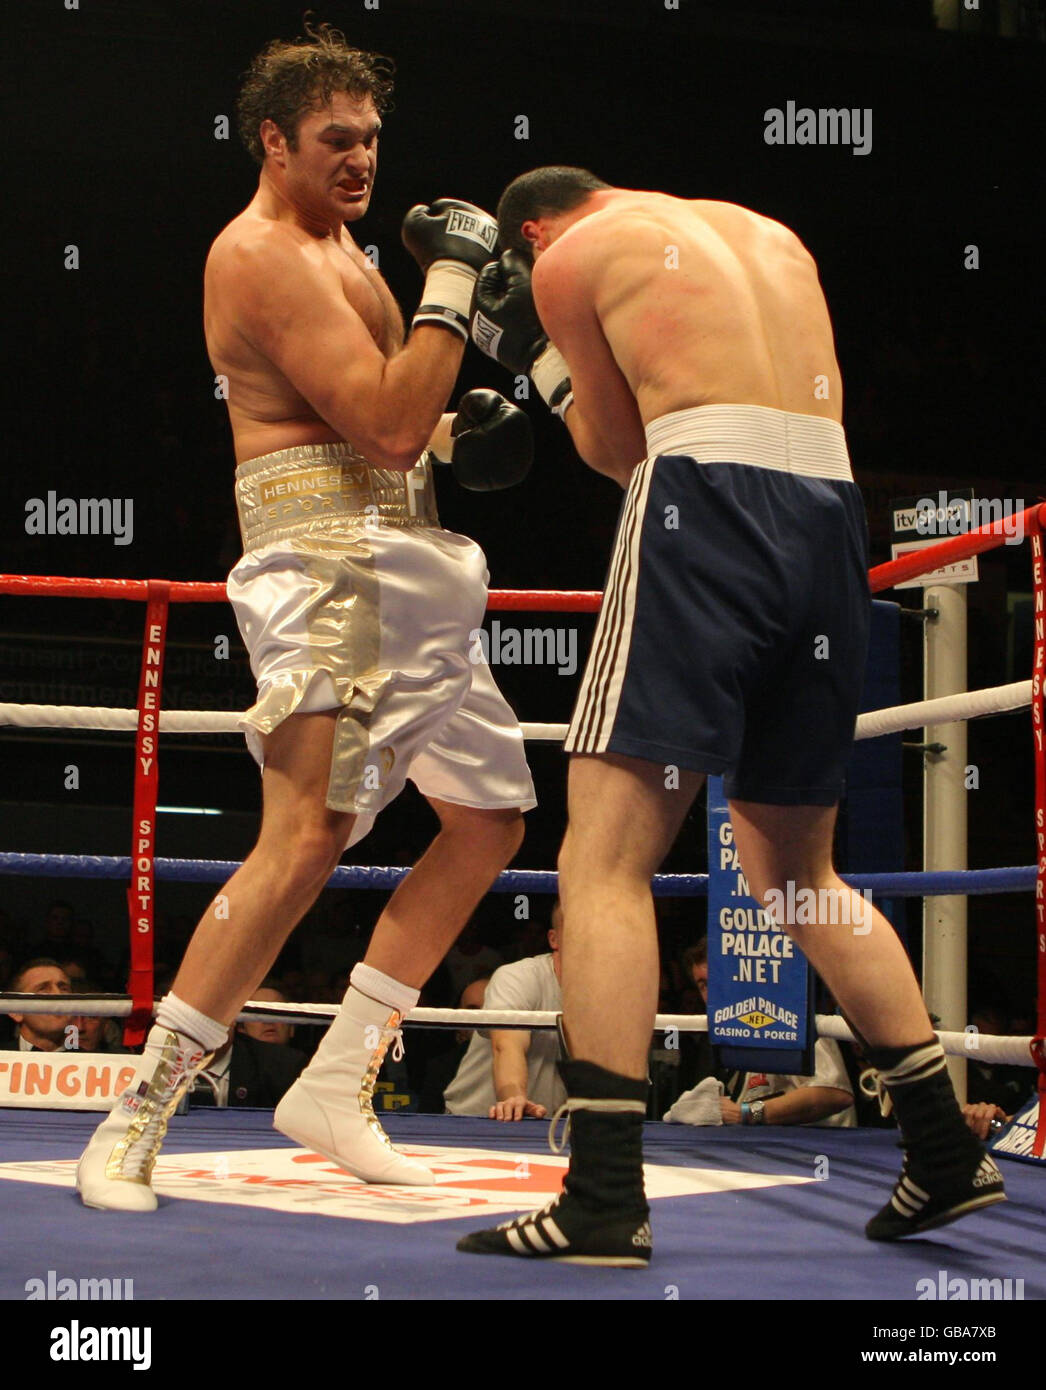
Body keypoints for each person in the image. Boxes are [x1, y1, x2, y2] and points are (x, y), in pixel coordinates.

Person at [456, 167, 1005, 1264]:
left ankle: (603, 1196)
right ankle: (943, 1146)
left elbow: (623, 456)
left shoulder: (566, 258)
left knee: (602, 860)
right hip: (831, 519)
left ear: (527, 231)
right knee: (800, 874)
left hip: (703, 507)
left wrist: (537, 358)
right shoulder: (769, 233)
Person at [76, 23, 535, 1213]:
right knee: (303, 839)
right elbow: (376, 425)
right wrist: (447, 297)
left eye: (372, 137)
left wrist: (459, 432)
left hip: (412, 561)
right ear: (271, 141)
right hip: (323, 569)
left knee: (487, 819)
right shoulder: (262, 255)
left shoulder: (348, 252)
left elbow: (395, 430)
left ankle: (338, 1080)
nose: (361, 158)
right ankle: (136, 1117)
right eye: (336, 138)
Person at [444, 908, 566, 1120]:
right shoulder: (518, 977)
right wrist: (513, 1097)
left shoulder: (607, 995)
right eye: (581, 932)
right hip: (478, 1120)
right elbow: (507, 1044)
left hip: (549, 1125)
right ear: (554, 939)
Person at [4, 960, 76, 1051]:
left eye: (64, 989)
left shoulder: (94, 1061)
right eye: (42, 989)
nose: (57, 994)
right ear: (15, 1011)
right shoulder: (2, 1057)